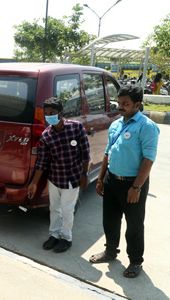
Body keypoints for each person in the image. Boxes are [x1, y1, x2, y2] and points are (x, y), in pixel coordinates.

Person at [89, 85, 160, 278]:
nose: (120, 107)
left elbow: (148, 159)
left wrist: (136, 187)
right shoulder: (116, 124)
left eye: (125, 104)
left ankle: (135, 261)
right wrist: (101, 179)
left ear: (137, 104)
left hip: (133, 184)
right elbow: (107, 153)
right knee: (110, 220)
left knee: (134, 225)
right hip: (112, 180)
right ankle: (110, 251)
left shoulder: (146, 126)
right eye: (119, 103)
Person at [27, 97, 90, 253]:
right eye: (47, 113)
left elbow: (85, 154)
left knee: (67, 210)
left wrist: (84, 174)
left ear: (61, 113)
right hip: (55, 179)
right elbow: (41, 162)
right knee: (54, 208)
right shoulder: (46, 135)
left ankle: (66, 238)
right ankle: (54, 235)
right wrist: (34, 182)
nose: (49, 116)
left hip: (72, 178)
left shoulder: (76, 128)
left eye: (52, 113)